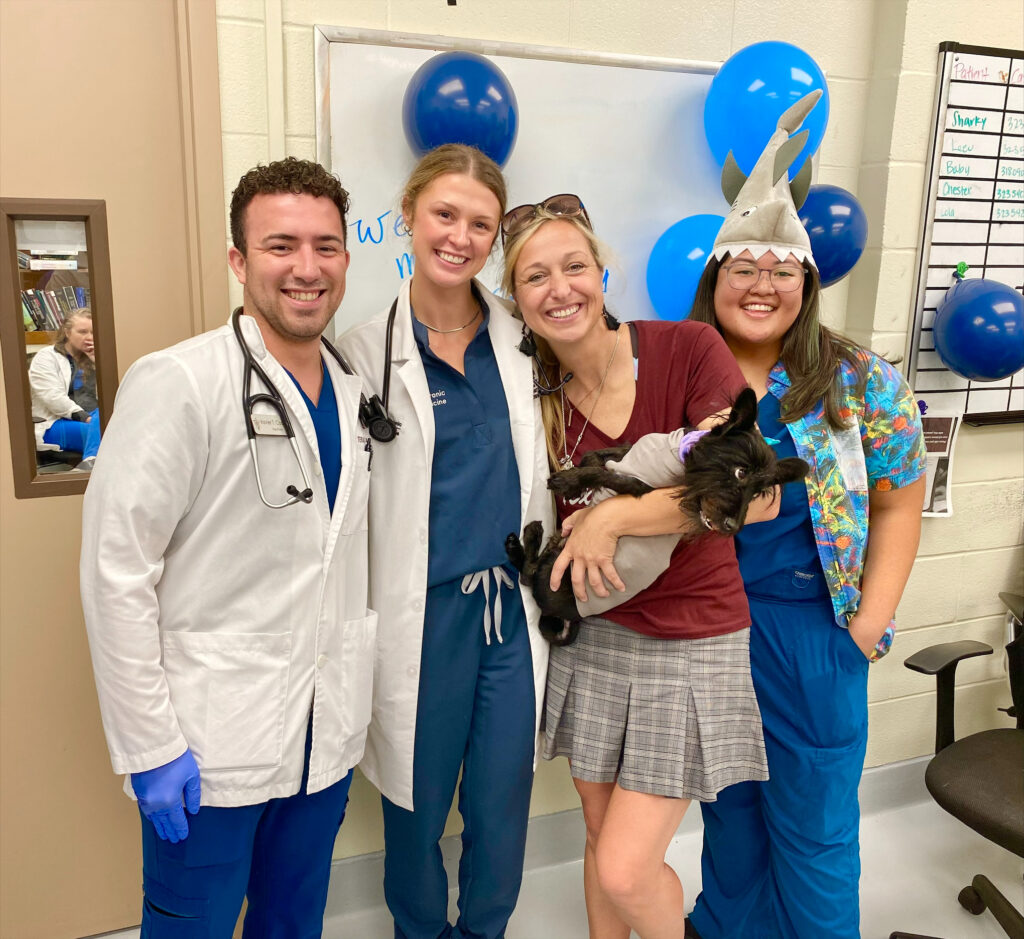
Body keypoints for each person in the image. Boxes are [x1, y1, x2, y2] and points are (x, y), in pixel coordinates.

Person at [80, 157, 375, 938]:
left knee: (292, 923)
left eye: (326, 246)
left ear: (346, 258)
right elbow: (116, 572)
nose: (306, 268)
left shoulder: (352, 390)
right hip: (209, 750)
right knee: (192, 928)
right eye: (281, 245)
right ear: (239, 260)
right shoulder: (178, 382)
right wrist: (149, 746)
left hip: (322, 735)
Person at [499, 193, 776, 939]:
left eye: (574, 266)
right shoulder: (537, 402)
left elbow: (754, 497)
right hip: (593, 640)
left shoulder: (688, 350)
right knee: (598, 840)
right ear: (514, 300)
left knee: (627, 866)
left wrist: (616, 513)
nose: (560, 289)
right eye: (535, 277)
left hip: (692, 642)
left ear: (602, 270)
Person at [685, 95, 927, 939]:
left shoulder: (861, 381)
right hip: (710, 633)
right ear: (714, 279)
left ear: (808, 283)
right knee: (732, 818)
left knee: (816, 828)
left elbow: (900, 500)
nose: (762, 285)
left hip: (815, 633)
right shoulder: (678, 377)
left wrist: (868, 623)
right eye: (742, 268)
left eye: (781, 270)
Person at [339, 144, 553, 939]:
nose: (460, 236)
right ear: (409, 216)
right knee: (415, 805)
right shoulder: (362, 352)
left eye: (480, 224)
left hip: (511, 612)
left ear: (495, 238)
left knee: (502, 803)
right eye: (445, 215)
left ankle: (485, 929)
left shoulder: (528, 342)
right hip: (420, 617)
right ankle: (419, 931)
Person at [29, 307, 101, 469]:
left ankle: (91, 462)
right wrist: (86, 418)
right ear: (67, 333)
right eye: (82, 332)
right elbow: (52, 397)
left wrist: (98, 363)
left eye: (92, 332)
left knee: (105, 418)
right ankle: (91, 460)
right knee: (107, 435)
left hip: (94, 419)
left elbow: (108, 396)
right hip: (55, 423)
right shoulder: (47, 357)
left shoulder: (98, 357)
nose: (89, 337)